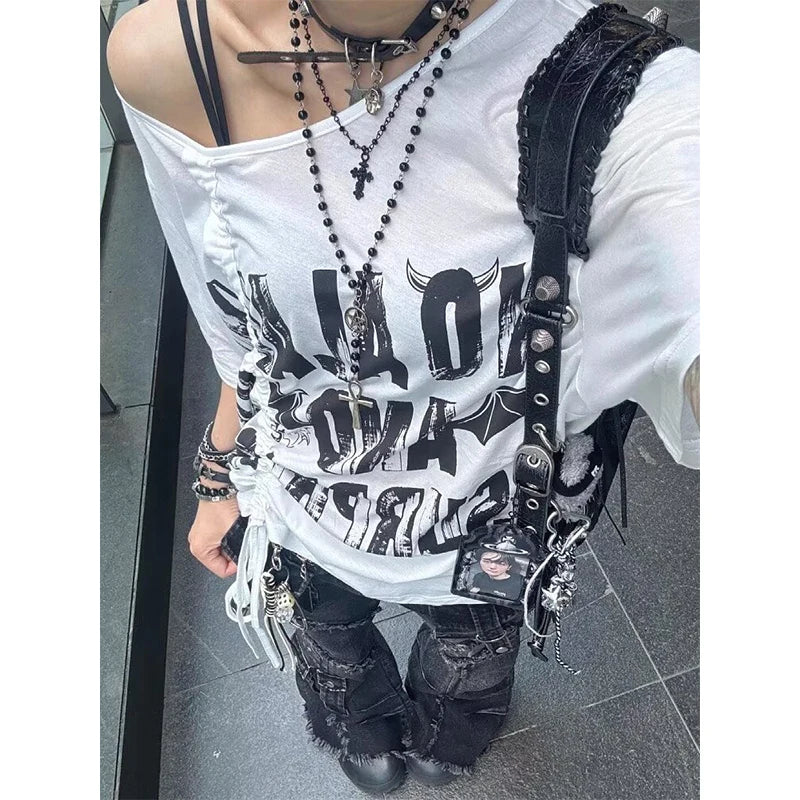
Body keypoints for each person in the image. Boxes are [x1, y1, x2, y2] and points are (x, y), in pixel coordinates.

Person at [107, 0, 700, 794]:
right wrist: (218, 477)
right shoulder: (172, 57)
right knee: (334, 653)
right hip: (303, 517)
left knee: (465, 676)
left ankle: (448, 724)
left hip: (489, 539)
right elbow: (239, 334)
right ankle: (359, 711)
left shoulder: (614, 88)